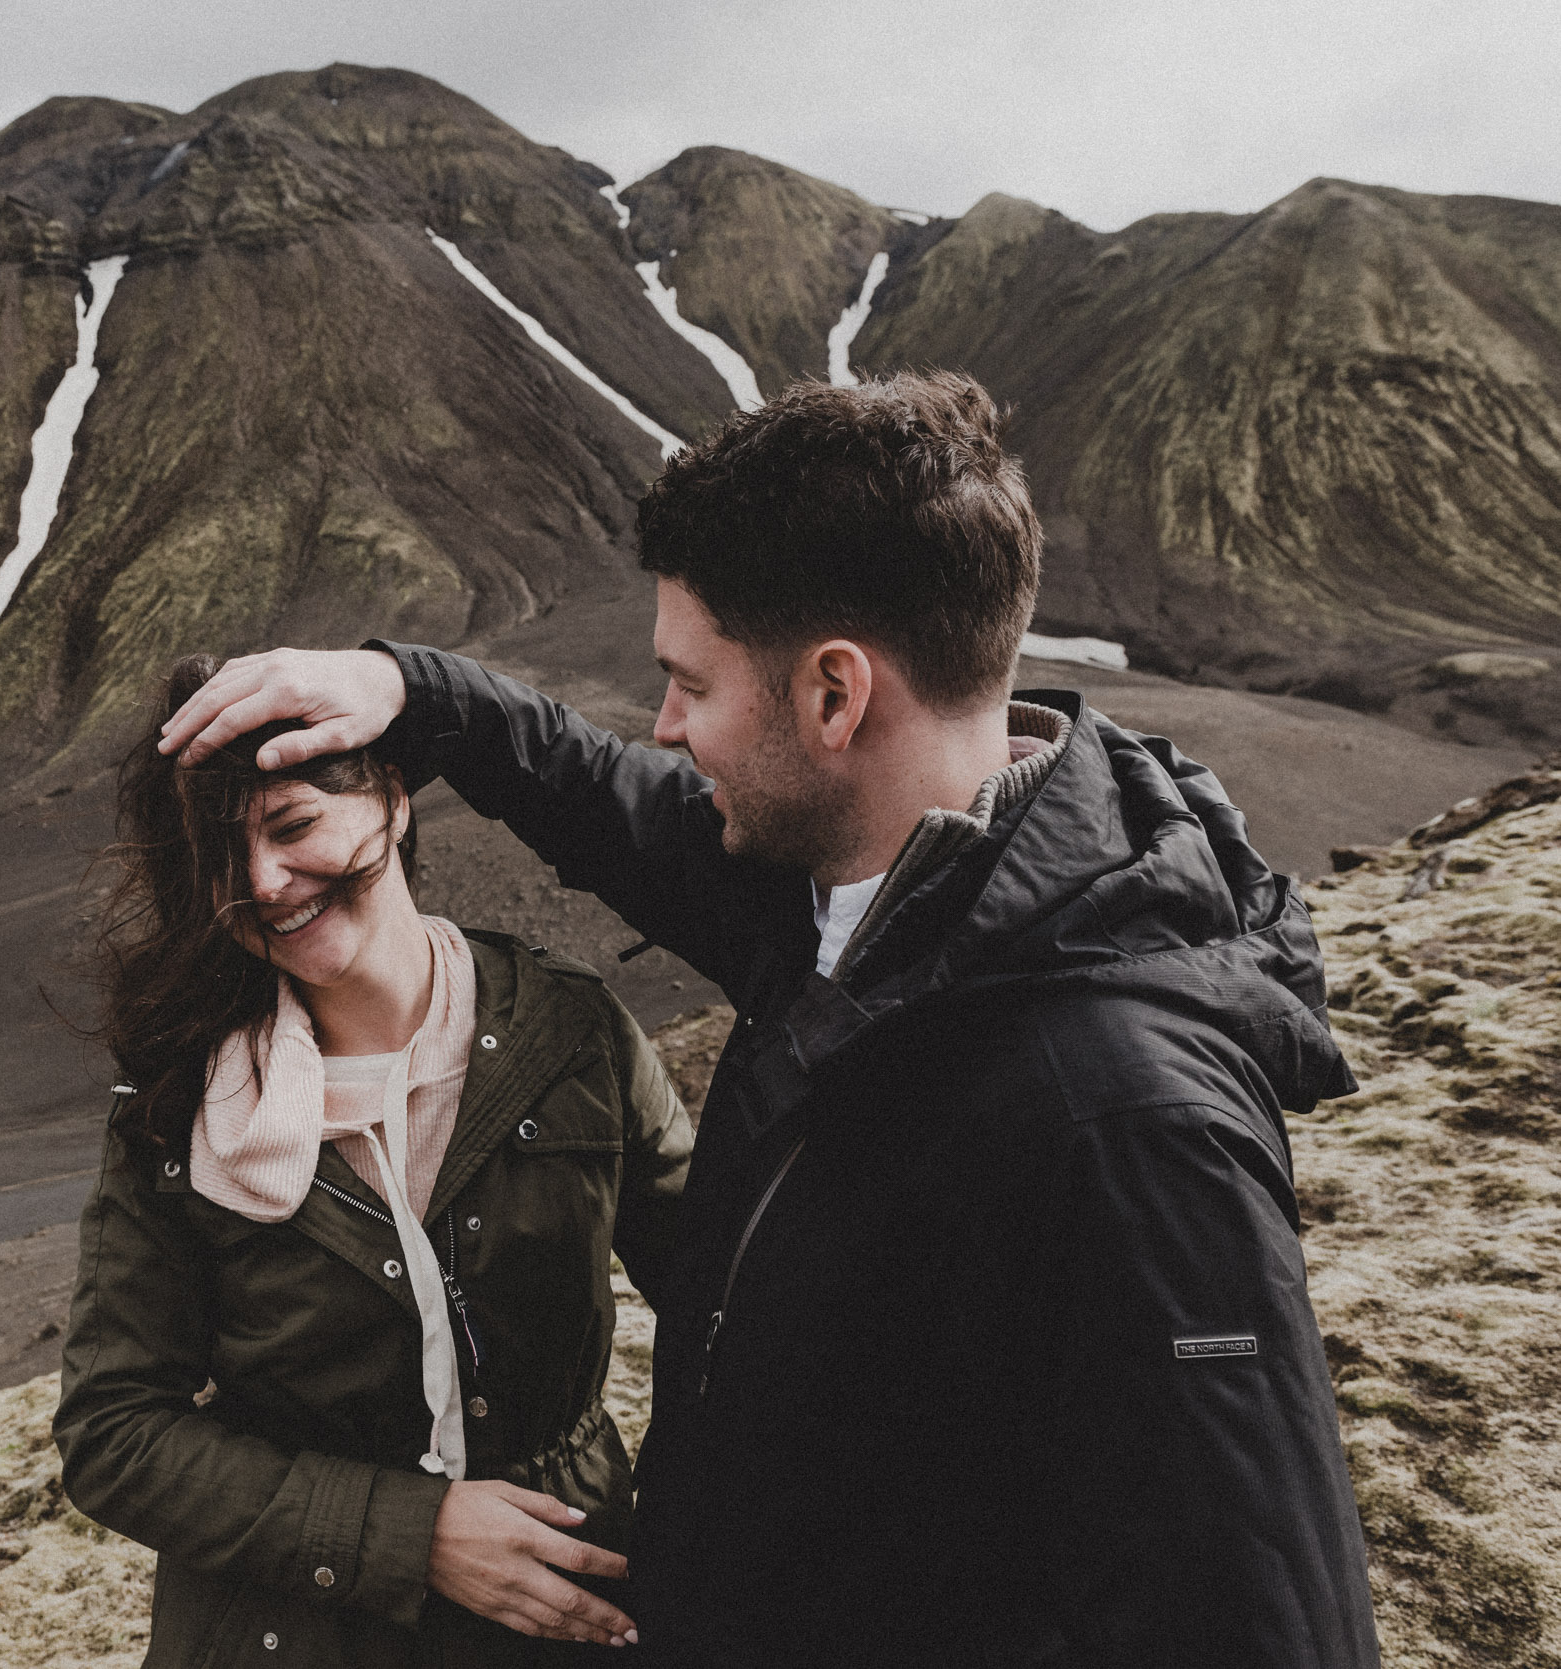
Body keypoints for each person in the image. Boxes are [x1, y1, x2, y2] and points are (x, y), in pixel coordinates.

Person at [155, 373, 1381, 1667]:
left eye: (690, 683)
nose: (666, 726)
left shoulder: (1126, 1126)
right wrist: (417, 692)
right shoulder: (849, 900)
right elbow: (614, 802)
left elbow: (1268, 1628)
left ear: (834, 697)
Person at [54, 653, 696, 1667]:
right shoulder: (179, 1099)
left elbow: (730, 1301)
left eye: (294, 824)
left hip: (567, 1605)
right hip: (282, 1633)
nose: (263, 882)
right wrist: (412, 1535)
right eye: (223, 855)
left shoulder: (570, 1029)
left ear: (392, 796)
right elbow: (114, 1431)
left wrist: (689, 1526)